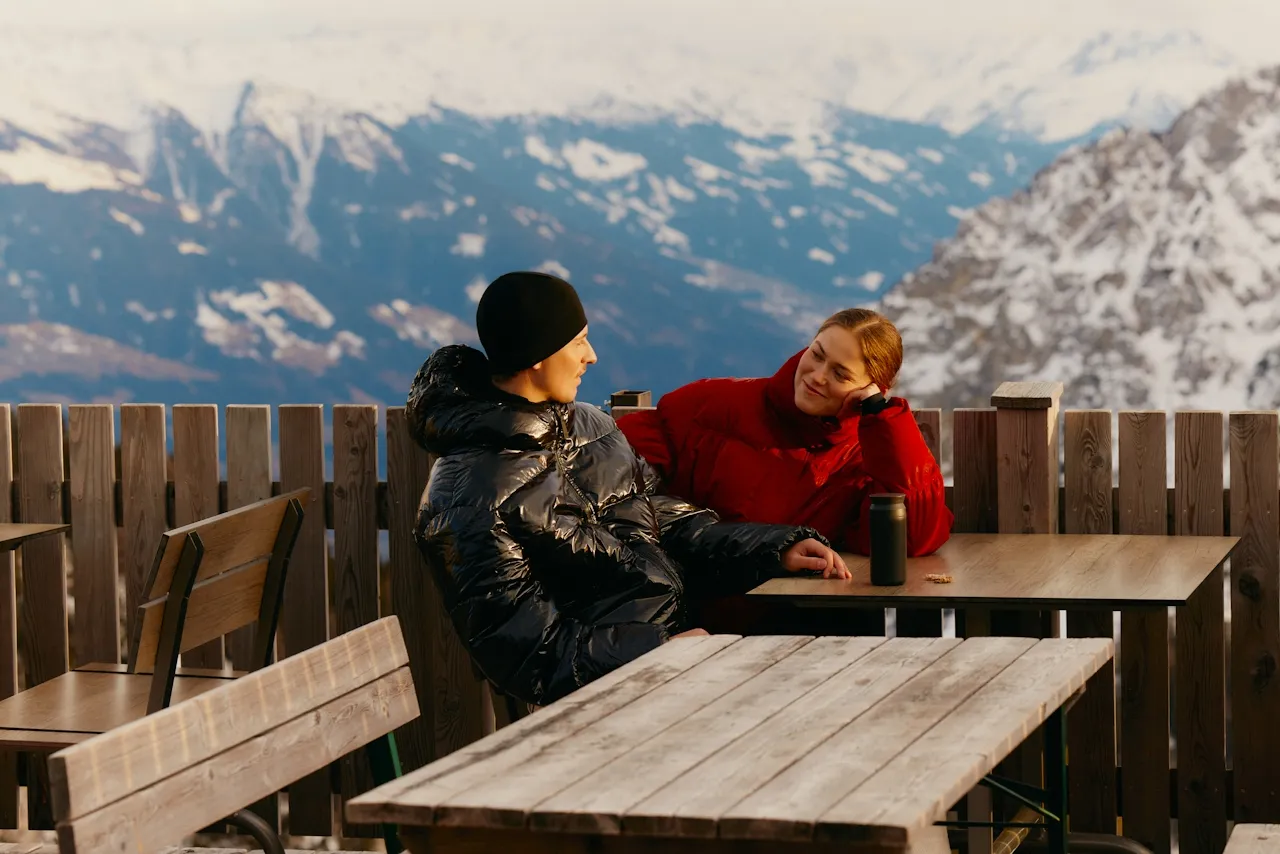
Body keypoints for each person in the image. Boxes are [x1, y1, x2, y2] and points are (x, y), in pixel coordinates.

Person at [407, 270, 849, 707]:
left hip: (679, 660)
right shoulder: (470, 497)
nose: (592, 356)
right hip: (607, 698)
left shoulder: (588, 425)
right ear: (538, 354)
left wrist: (774, 549)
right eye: (579, 341)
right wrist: (660, 650)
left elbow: (661, 520)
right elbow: (527, 654)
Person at [617, 307, 952, 559]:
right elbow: (607, 471)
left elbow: (912, 538)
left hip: (807, 630)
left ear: (871, 388)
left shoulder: (865, 459)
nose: (817, 376)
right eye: (817, 355)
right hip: (689, 621)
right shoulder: (708, 406)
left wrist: (882, 419)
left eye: (840, 374)